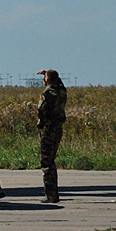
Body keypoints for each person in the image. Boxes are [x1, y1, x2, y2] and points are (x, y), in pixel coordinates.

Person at [37, 69, 68, 203]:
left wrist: (42, 122)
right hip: (58, 128)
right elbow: (60, 84)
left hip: (48, 129)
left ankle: (51, 195)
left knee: (47, 162)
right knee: (52, 159)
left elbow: (41, 109)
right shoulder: (61, 91)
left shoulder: (47, 93)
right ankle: (53, 194)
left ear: (47, 80)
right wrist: (49, 74)